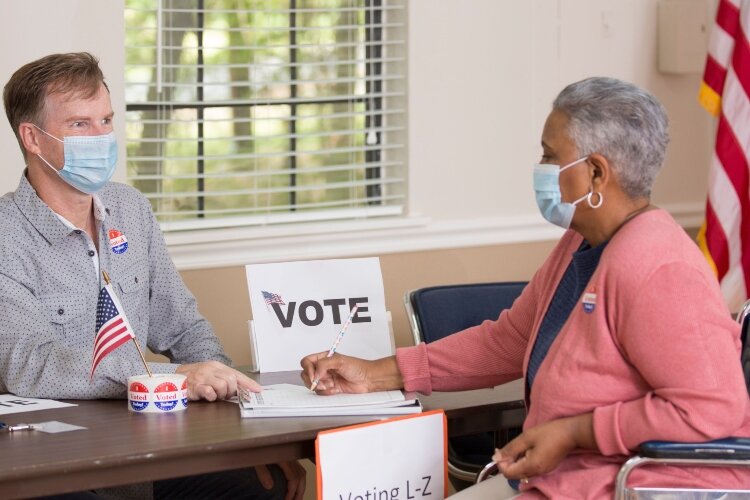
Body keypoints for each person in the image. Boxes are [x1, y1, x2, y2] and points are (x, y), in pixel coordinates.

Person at [301, 77, 750, 498]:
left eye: (550, 156)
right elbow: (510, 340)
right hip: (556, 483)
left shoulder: (661, 267)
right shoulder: (582, 241)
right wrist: (375, 373)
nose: (542, 169)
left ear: (596, 173)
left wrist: (576, 431)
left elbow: (712, 410)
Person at [1, 52, 305, 500]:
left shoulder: (130, 209)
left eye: (106, 120)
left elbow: (181, 325)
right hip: (56, 457)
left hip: (151, 439)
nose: (102, 137)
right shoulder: (6, 233)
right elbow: (31, 364)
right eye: (81, 125)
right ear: (33, 137)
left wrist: (235, 410)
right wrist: (175, 377)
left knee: (261, 483)